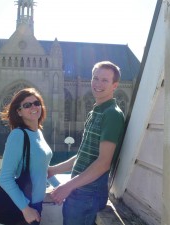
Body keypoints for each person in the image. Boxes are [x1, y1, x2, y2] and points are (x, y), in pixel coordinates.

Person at [49, 61, 125, 225]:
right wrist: (53, 170)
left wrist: (67, 186)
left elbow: (103, 163)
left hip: (88, 195)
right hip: (80, 191)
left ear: (115, 85)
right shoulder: (95, 112)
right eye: (95, 78)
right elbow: (84, 155)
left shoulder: (111, 114)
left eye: (105, 80)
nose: (98, 84)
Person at [0, 88, 53, 225]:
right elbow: (4, 178)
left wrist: (60, 186)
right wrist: (25, 208)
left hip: (36, 204)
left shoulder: (37, 132)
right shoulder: (18, 135)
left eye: (36, 103)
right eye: (27, 105)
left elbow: (41, 169)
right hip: (24, 207)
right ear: (19, 111)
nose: (33, 107)